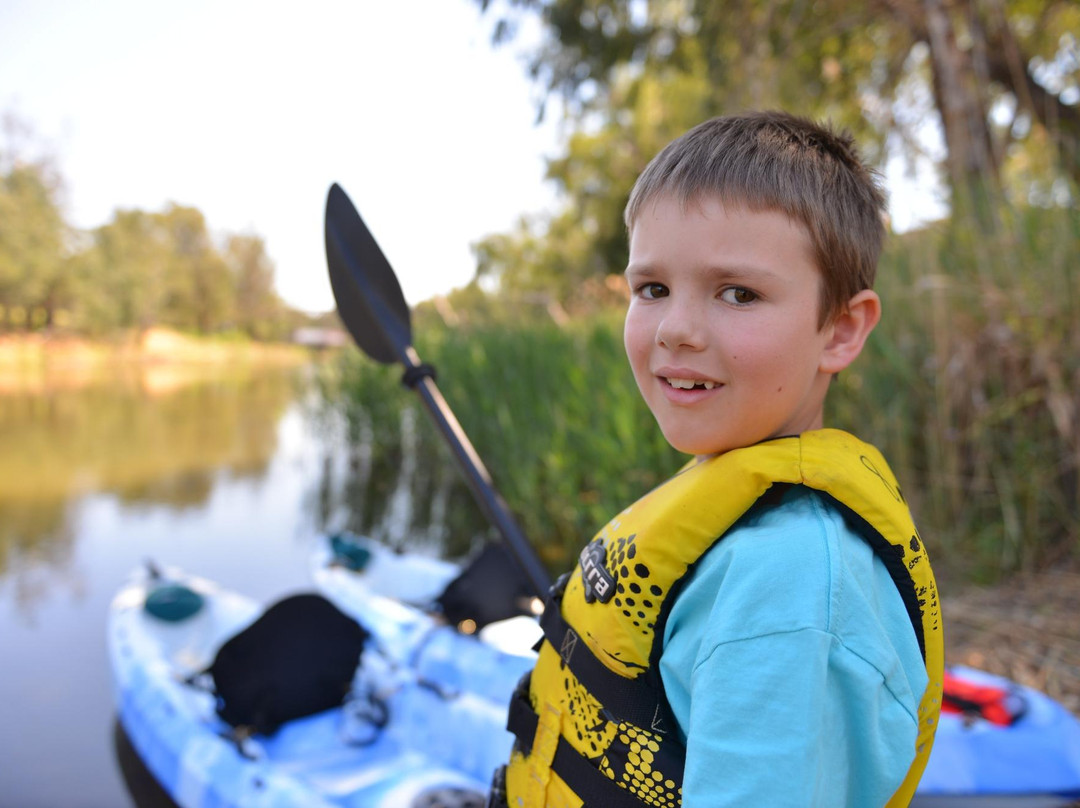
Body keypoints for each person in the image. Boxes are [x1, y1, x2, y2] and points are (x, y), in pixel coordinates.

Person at [491, 111, 944, 808]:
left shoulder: (789, 589)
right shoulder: (739, 500)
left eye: (739, 293)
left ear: (841, 329)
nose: (676, 330)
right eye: (652, 289)